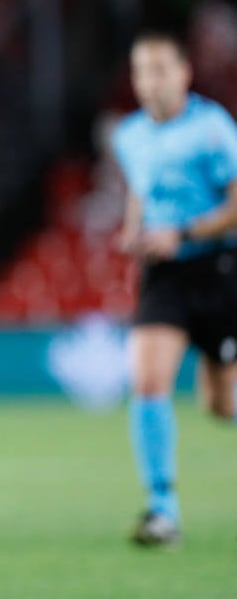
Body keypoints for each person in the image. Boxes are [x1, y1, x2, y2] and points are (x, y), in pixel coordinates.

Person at [111, 28, 237, 547]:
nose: (150, 81)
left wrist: (181, 233)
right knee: (147, 379)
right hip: (164, 275)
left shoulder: (213, 128)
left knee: (221, 405)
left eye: (161, 69)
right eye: (142, 70)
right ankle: (163, 511)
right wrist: (131, 228)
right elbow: (141, 192)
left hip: (218, 270)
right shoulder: (128, 135)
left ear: (184, 73)